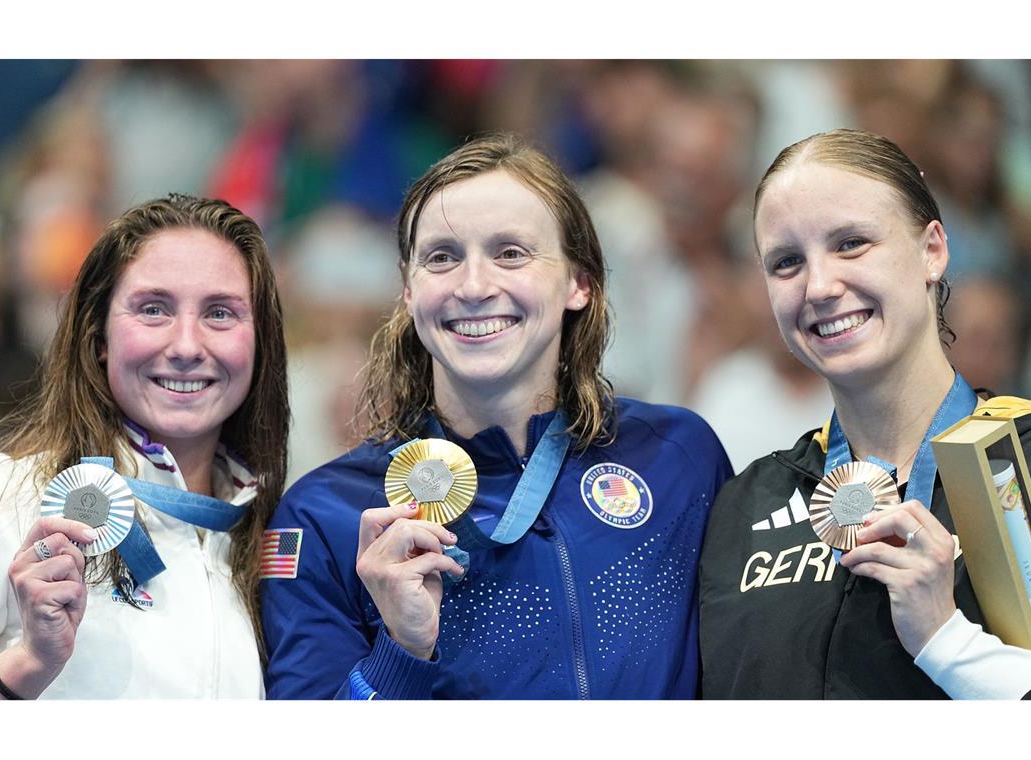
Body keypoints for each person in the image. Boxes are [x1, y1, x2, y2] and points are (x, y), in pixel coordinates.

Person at [262, 134, 732, 699]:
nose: (475, 286)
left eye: (511, 253)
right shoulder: (329, 514)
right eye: (442, 257)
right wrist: (402, 650)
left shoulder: (678, 458)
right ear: (409, 292)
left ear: (579, 283)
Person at [698, 128, 1031, 699]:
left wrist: (947, 641)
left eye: (851, 243)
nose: (819, 286)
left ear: (931, 250)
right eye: (786, 262)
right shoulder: (747, 505)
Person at [0, 194, 289, 698]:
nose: (185, 346)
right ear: (99, 336)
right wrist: (23, 668)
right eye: (153, 309)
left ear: (259, 343)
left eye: (220, 313)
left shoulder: (267, 541)